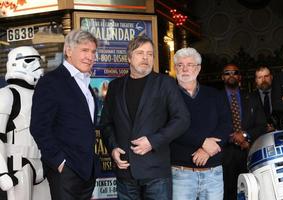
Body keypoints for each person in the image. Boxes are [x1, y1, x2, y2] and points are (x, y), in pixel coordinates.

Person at [99, 35, 190, 200]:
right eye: (140, 53)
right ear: (129, 58)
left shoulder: (165, 83)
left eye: (150, 54)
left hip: (156, 172)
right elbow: (106, 123)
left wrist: (152, 141)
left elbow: (182, 119)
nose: (146, 58)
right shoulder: (115, 87)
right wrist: (113, 148)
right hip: (125, 171)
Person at [30, 30, 100, 200]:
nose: (90, 56)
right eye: (84, 50)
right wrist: (60, 163)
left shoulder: (86, 83)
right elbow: (39, 127)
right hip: (65, 172)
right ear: (68, 51)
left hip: (87, 172)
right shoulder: (51, 82)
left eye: (92, 52)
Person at [170, 47, 232, 200]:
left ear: (198, 68)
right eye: (180, 65)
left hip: (213, 173)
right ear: (175, 68)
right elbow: (170, 127)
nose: (184, 69)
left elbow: (226, 124)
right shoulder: (167, 96)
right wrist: (203, 141)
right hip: (182, 174)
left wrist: (207, 150)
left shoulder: (215, 95)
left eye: (190, 64)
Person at [0, 46, 50, 200]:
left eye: (38, 61)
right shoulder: (7, 94)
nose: (36, 66)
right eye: (30, 61)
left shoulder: (42, 95)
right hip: (18, 164)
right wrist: (2, 172)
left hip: (42, 163)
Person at [221, 64, 266, 200]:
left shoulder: (252, 98)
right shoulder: (215, 98)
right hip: (224, 153)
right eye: (227, 73)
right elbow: (212, 123)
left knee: (250, 192)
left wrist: (245, 135)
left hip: (248, 151)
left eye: (235, 72)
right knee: (227, 192)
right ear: (223, 77)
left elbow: (262, 125)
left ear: (239, 76)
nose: (231, 75)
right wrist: (234, 138)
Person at [252, 66, 277, 132]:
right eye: (260, 77)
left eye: (266, 76)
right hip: (259, 134)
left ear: (271, 77)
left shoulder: (279, 93)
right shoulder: (250, 98)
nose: (263, 80)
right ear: (256, 80)